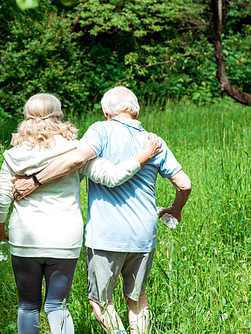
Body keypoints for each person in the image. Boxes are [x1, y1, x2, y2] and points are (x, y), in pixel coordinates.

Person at [12, 87, 191, 334]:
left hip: (106, 235)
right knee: (137, 297)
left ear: (106, 111)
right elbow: (184, 184)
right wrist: (176, 208)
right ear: (136, 111)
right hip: (143, 233)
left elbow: (77, 159)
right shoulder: (153, 141)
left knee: (100, 300)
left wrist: (35, 181)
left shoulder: (100, 131)